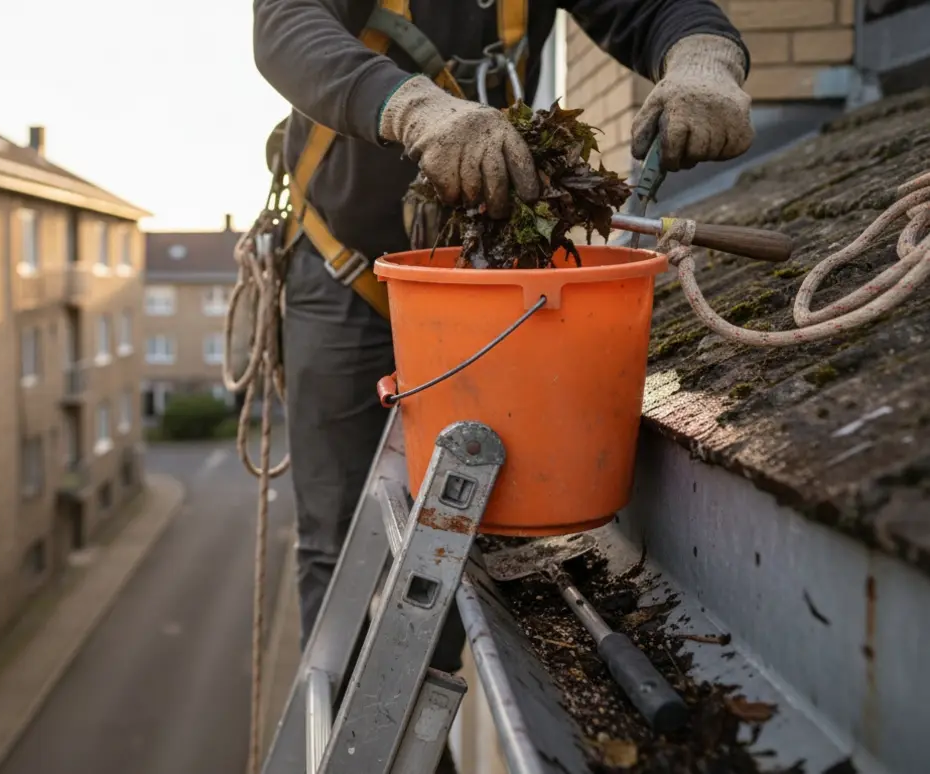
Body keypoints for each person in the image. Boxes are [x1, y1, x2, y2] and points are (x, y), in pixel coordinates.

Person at [250, 0, 753, 740]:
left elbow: (653, 8)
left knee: (452, 528)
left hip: (477, 285)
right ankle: (352, 746)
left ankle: (405, 733)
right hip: (344, 272)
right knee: (338, 538)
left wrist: (705, 56)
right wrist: (413, 108)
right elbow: (284, 28)